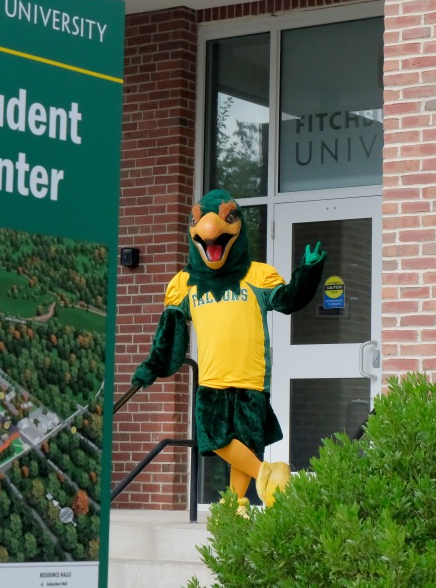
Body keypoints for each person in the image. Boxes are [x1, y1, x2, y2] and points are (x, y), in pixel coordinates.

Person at [131, 189, 326, 511]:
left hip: (252, 377)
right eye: (197, 221)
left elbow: (287, 300)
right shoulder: (184, 283)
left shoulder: (258, 274)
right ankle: (269, 475)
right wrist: (152, 367)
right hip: (212, 379)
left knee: (246, 442)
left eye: (227, 218)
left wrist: (308, 272)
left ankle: (237, 505)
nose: (209, 229)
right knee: (214, 438)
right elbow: (169, 334)